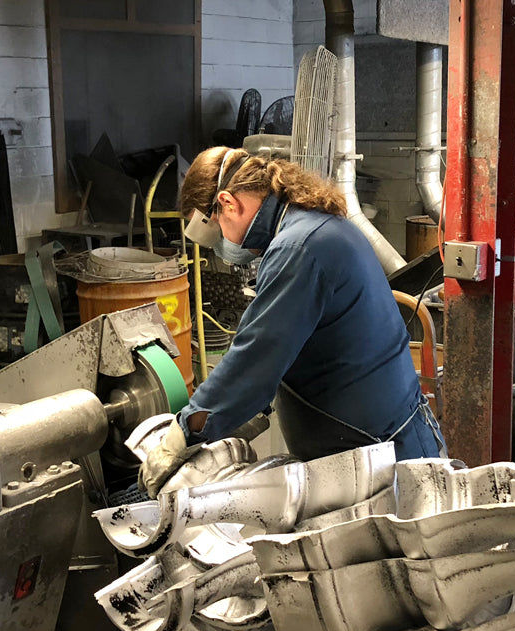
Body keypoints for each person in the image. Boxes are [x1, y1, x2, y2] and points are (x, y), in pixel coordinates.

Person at [138, 147, 446, 495]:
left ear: (227, 203)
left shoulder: (299, 247)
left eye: (213, 233)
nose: (221, 246)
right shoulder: (311, 224)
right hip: (373, 450)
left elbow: (253, 360)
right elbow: (302, 343)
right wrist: (254, 409)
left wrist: (179, 437)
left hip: (384, 465)